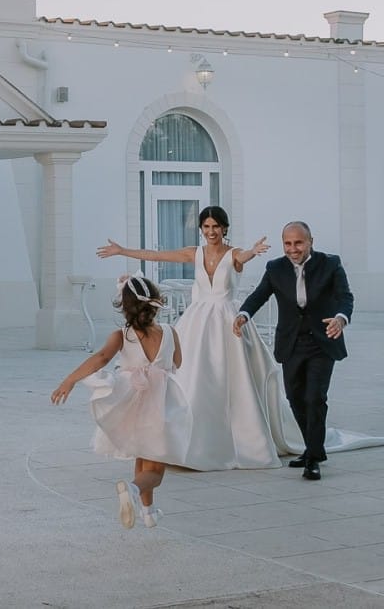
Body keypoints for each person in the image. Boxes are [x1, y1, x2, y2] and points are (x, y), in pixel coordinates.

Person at [98, 207, 284, 469]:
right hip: (197, 319)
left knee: (231, 377)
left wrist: (253, 251)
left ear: (224, 228)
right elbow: (155, 255)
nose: (211, 232)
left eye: (216, 227)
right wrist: (122, 251)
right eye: (206, 227)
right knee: (192, 374)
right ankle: (183, 437)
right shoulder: (193, 253)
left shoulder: (233, 254)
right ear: (201, 229)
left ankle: (240, 438)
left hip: (226, 319)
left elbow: (243, 256)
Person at [51, 274, 190, 529]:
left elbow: (101, 358)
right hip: (159, 405)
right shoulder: (170, 332)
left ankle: (147, 513)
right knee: (155, 471)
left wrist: (69, 380)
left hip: (132, 405)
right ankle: (133, 489)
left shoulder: (121, 336)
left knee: (142, 457)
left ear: (124, 307)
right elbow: (177, 363)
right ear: (156, 302)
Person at [233, 221, 353, 482]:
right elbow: (260, 295)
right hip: (291, 343)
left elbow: (346, 297)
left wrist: (341, 318)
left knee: (315, 398)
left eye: (298, 242)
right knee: (295, 397)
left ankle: (312, 459)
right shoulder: (275, 268)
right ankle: (313, 447)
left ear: (311, 241)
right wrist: (243, 314)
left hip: (322, 341)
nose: (293, 248)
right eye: (288, 243)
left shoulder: (330, 264)